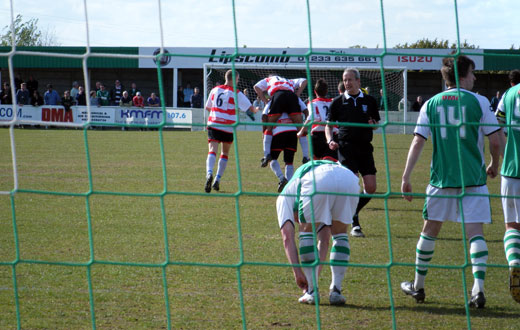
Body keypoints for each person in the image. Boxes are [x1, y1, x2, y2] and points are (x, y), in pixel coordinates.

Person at [400, 55, 504, 309]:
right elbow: (495, 140)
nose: (475, 77)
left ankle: (418, 285)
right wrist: (494, 164)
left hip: (441, 181)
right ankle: (478, 289)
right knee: (475, 234)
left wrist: (406, 176)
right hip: (473, 180)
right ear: (462, 75)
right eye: (472, 73)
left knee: (430, 230)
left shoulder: (431, 104)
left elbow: (418, 141)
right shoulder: (479, 102)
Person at [277, 160, 359, 305]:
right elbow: (324, 239)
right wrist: (312, 276)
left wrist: (298, 273)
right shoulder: (296, 190)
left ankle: (312, 293)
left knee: (306, 231)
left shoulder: (283, 199)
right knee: (340, 234)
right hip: (349, 178)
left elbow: (287, 238)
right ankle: (336, 291)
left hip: (317, 179)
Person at [325, 68, 380, 238]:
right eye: (345, 79)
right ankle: (355, 224)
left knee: (370, 188)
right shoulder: (337, 102)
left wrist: (373, 124)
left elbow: (376, 123)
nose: (347, 83)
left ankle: (352, 212)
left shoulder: (370, 101)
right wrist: (330, 140)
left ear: (358, 81)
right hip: (346, 147)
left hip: (365, 147)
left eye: (350, 79)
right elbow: (328, 125)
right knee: (352, 184)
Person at [204, 70, 256, 193]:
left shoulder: (215, 89)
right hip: (228, 126)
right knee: (225, 153)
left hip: (214, 123)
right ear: (234, 78)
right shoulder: (236, 93)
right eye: (238, 80)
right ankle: (217, 179)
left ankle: (209, 173)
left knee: (212, 150)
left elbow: (207, 107)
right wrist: (257, 109)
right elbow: (250, 109)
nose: (238, 82)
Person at [495, 69, 520, 303]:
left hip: (512, 169)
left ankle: (514, 262)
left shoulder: (510, 94)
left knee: (512, 224)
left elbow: (497, 124)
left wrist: (505, 153)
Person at [254, 74, 307, 167]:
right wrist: (297, 94)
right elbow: (304, 81)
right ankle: (306, 156)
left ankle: (266, 155)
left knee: (269, 127)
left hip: (278, 96)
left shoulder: (268, 80)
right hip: (292, 97)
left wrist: (265, 100)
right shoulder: (289, 80)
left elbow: (256, 87)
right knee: (300, 128)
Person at [262, 96, 307, 192]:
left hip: (279, 132)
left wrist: (264, 131)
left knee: (273, 159)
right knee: (289, 161)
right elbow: (305, 110)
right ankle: (289, 186)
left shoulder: (274, 100)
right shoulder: (293, 100)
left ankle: (282, 178)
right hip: (292, 132)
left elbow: (264, 115)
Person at [298, 78, 338, 161]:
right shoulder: (333, 102)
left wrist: (301, 131)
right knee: (330, 162)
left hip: (317, 135)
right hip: (332, 134)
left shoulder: (313, 103)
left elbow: (311, 117)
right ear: (327, 91)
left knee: (317, 164)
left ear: (315, 91)